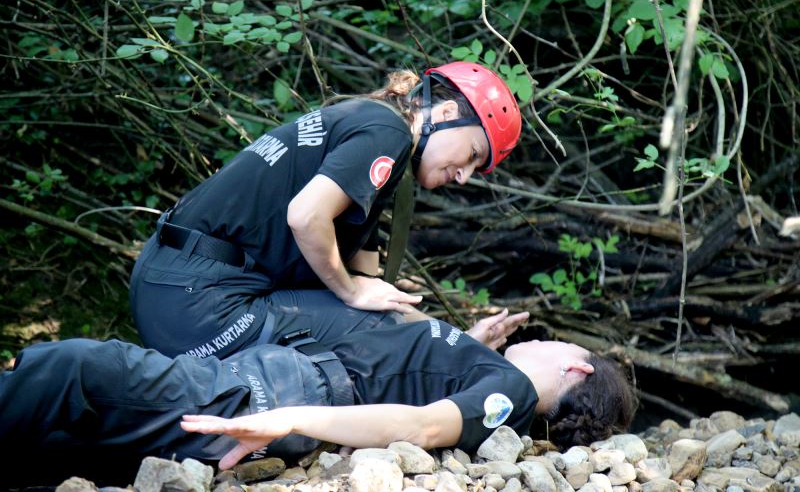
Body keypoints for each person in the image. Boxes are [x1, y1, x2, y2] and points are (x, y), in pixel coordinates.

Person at [129, 62, 523, 359]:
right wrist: (349, 291)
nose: (464, 177)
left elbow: (376, 304)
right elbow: (306, 216)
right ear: (449, 113)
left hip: (174, 284)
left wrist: (457, 339)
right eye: (473, 155)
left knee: (358, 323)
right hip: (200, 303)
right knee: (346, 349)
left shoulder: (369, 132)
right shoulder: (389, 134)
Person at [0, 320, 637, 485]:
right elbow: (422, 392)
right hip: (275, 382)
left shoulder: (515, 393)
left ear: (575, 367)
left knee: (81, 369)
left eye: (557, 342)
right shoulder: (496, 379)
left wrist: (291, 417)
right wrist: (467, 347)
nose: (540, 339)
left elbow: (422, 424)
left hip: (280, 395)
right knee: (62, 447)